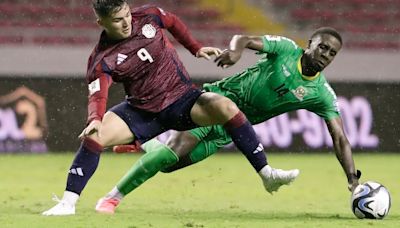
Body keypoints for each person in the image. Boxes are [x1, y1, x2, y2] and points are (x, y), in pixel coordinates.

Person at [42, 0, 298, 216]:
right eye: (117, 20)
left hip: (183, 100)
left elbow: (173, 21)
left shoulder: (149, 16)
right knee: (95, 135)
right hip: (142, 112)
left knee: (226, 107)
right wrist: (95, 118)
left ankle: (267, 174)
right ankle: (68, 203)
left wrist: (195, 48)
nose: (126, 22)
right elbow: (98, 93)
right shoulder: (102, 59)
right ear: (102, 23)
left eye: (127, 14)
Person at [94, 27, 362, 214]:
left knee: (168, 164)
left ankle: (144, 142)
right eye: (322, 47)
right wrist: (235, 52)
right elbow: (243, 38)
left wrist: (353, 180)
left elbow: (339, 137)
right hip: (214, 102)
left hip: (231, 130)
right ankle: (112, 198)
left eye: (331, 52)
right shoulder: (287, 50)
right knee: (172, 152)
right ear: (310, 44)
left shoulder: (322, 94)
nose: (325, 54)